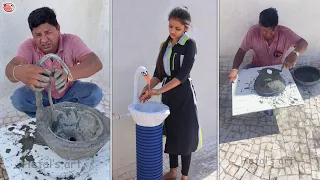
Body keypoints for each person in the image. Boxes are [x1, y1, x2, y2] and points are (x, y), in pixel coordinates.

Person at [5, 7, 103, 118]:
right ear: (32, 35)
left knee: (95, 93)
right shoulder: (28, 46)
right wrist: (16, 72)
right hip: (43, 96)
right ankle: (44, 117)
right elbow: (10, 69)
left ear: (58, 28)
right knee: (18, 98)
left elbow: (95, 63)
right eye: (38, 35)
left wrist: (68, 75)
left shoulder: (71, 41)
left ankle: (71, 116)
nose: (44, 40)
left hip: (69, 92)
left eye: (48, 33)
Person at [139, 6, 201, 180]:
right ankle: (173, 171)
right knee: (172, 134)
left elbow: (182, 75)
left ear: (186, 28)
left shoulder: (190, 45)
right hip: (168, 96)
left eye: (177, 28)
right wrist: (148, 87)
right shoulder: (165, 45)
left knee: (185, 136)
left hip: (184, 97)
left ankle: (184, 176)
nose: (172, 31)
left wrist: (158, 90)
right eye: (170, 27)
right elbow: (159, 73)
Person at [228, 7, 308, 116]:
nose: (268, 34)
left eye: (272, 30)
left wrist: (295, 53)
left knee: (279, 97)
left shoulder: (285, 33)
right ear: (259, 25)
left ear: (277, 26)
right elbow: (241, 51)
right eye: (264, 30)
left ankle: (270, 106)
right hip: (256, 66)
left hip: (277, 69)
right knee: (240, 82)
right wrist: (234, 69)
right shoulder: (253, 31)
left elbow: (303, 43)